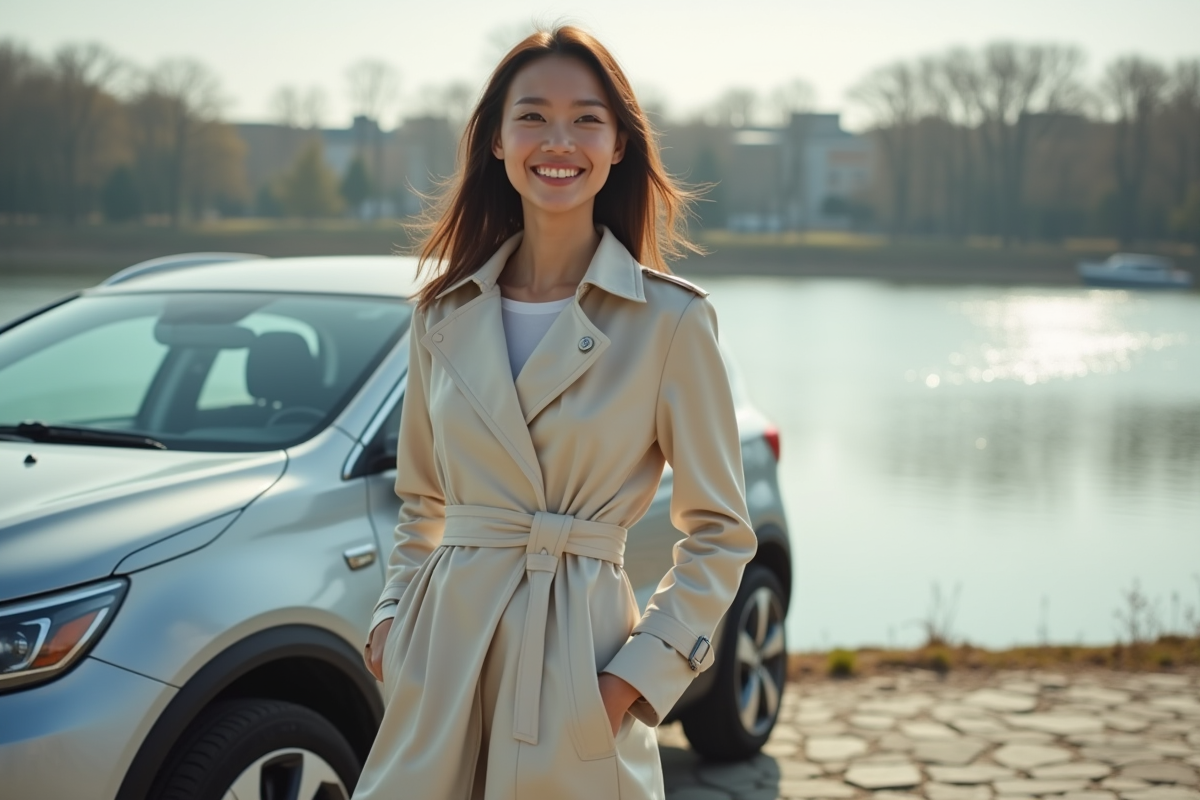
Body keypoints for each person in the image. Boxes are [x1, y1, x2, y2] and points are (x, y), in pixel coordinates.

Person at [353, 25, 757, 800]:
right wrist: (394, 618)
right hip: (440, 662)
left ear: (617, 147)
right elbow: (420, 498)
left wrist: (630, 683)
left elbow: (720, 533)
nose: (558, 140)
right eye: (532, 115)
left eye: (587, 119)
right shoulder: (441, 313)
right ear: (498, 143)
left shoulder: (670, 321)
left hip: (576, 667)